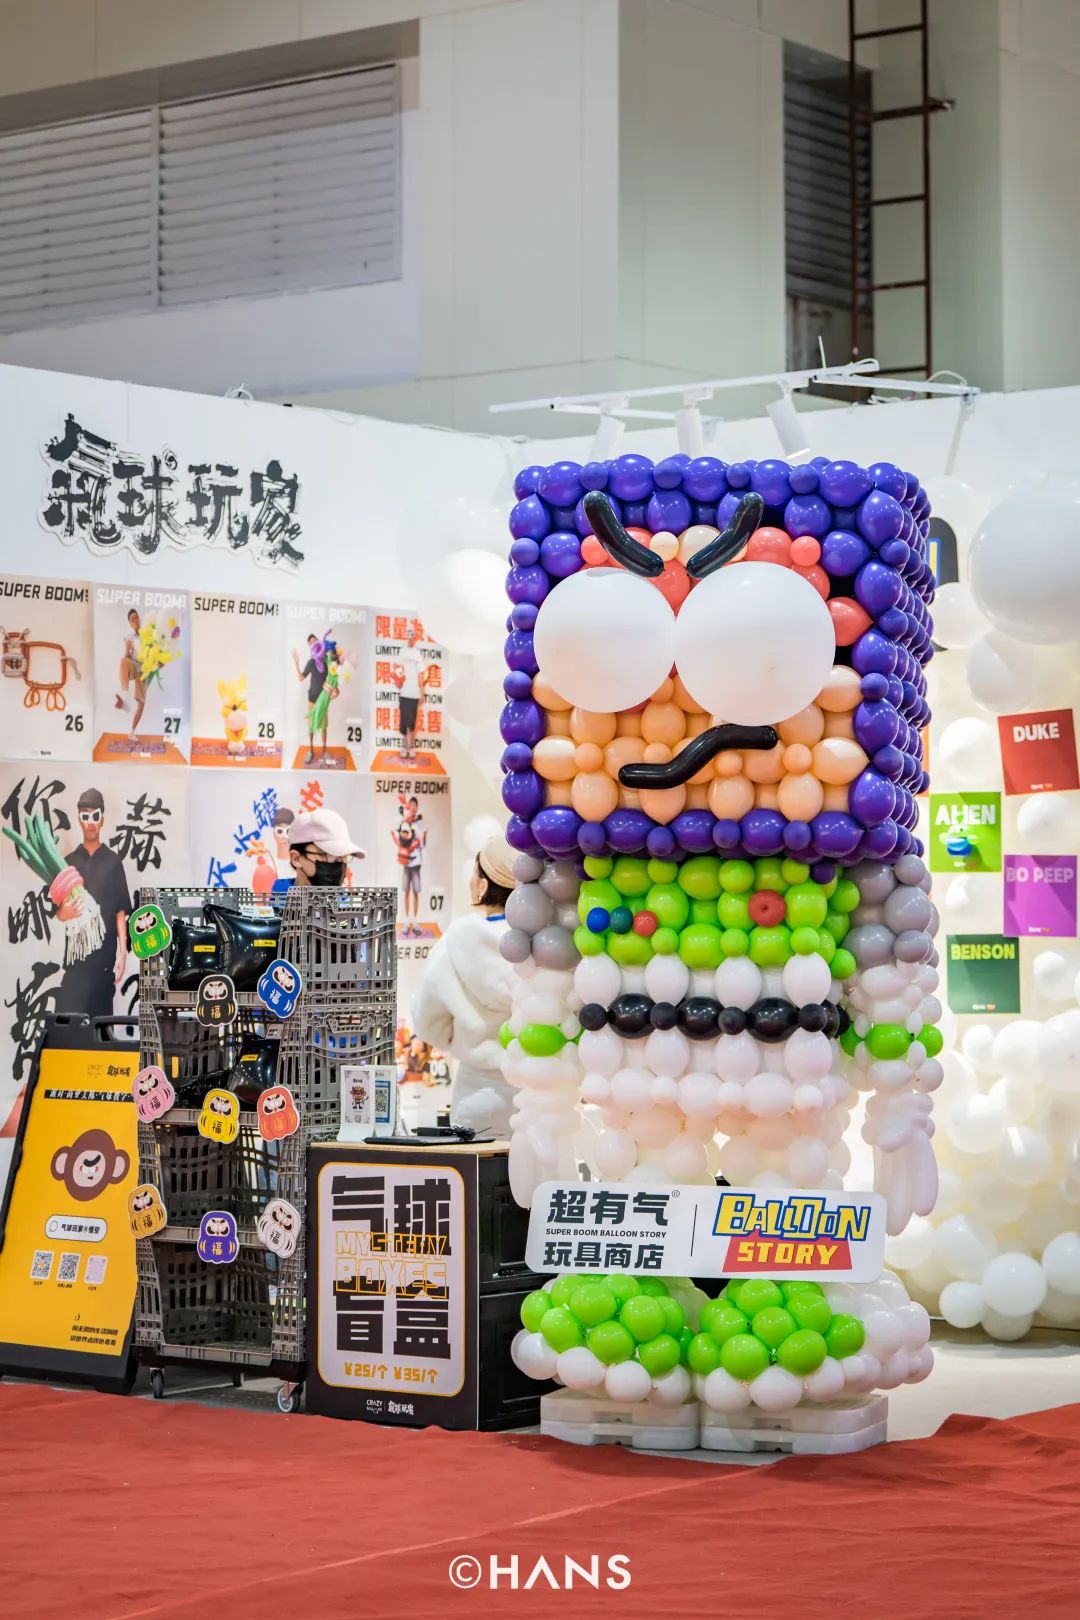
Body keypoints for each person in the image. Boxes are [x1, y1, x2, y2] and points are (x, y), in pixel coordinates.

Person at [411, 832, 517, 1136]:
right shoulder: (546, 944)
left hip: (476, 1093)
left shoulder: (455, 942)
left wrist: (462, 1040)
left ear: (484, 884)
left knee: (477, 1167)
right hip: (540, 1093)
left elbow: (428, 1022)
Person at [58, 787, 132, 1020]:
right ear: (79, 820)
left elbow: (120, 912)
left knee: (100, 1026)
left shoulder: (113, 862)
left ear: (102, 820)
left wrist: (123, 953)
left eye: (95, 816)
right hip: (76, 962)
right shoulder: (68, 862)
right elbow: (59, 912)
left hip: (104, 963)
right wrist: (65, 912)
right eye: (85, 816)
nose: (90, 822)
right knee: (68, 1025)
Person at [286, 808, 365, 888]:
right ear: (296, 858)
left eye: (344, 857)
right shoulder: (280, 895)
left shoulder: (344, 896)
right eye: (328, 855)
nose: (338, 865)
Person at [391, 795, 425, 937]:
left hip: (416, 863)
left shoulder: (419, 824)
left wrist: (416, 833)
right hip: (405, 862)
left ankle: (415, 921)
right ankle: (406, 922)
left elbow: (422, 843)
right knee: (406, 892)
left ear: (417, 807)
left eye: (414, 806)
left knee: (415, 892)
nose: (412, 808)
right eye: (410, 806)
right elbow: (396, 834)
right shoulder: (402, 822)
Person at [293, 634, 328, 766]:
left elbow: (330, 679)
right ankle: (311, 750)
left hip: (323, 701)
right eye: (311, 643)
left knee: (324, 727)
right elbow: (301, 678)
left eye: (315, 641)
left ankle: (324, 750)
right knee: (311, 727)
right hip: (312, 701)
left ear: (319, 642)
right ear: (310, 646)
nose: (314, 643)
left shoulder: (325, 661)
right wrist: (296, 663)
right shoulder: (311, 662)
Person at [115, 608, 146, 744]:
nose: (135, 620)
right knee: (123, 661)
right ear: (130, 623)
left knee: (141, 704)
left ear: (139, 619)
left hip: (144, 671)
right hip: (134, 666)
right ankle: (126, 699)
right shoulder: (129, 637)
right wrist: (127, 650)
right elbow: (127, 657)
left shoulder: (148, 634)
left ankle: (131, 732)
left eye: (136, 617)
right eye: (132, 619)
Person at [394, 629, 425, 764]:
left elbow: (420, 674)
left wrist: (421, 692)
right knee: (403, 720)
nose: (411, 639)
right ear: (406, 637)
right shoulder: (402, 652)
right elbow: (397, 670)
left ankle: (411, 746)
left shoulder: (417, 653)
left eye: (413, 637)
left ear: (415, 638)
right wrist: (398, 681)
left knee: (412, 721)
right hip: (404, 692)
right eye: (409, 636)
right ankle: (403, 746)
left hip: (414, 693)